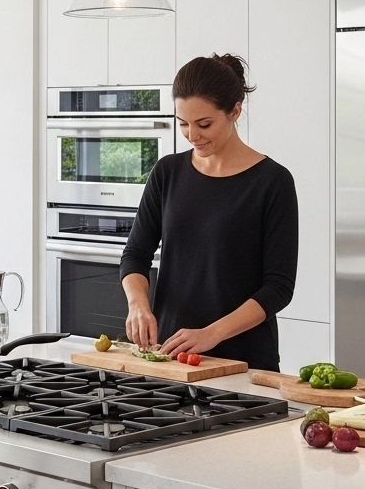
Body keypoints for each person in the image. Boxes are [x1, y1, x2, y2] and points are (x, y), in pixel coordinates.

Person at [119, 53, 298, 372]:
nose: (192, 135)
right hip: (170, 355)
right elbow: (135, 253)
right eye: (183, 123)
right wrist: (138, 305)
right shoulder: (168, 172)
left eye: (204, 124)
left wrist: (210, 335)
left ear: (234, 110)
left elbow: (278, 288)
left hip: (245, 361)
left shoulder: (272, 181)